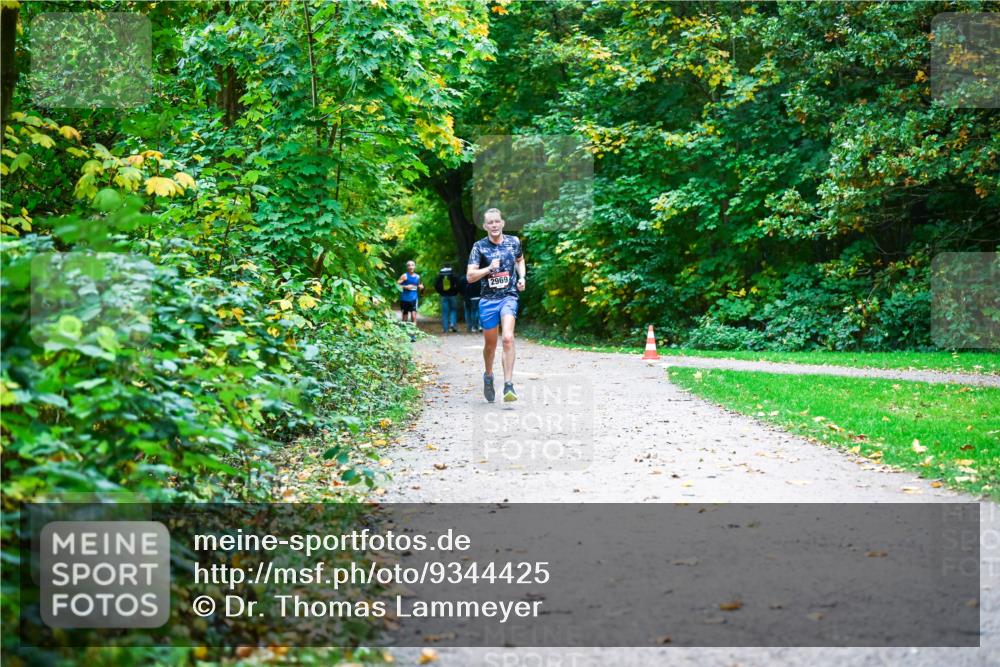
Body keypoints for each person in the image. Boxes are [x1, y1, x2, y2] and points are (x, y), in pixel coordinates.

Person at [466, 208, 525, 402]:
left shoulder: (513, 242)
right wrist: (488, 268)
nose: (494, 225)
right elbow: (470, 276)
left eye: (496, 221)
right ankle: (489, 375)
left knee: (507, 338)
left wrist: (522, 277)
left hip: (509, 297)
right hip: (488, 301)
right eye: (490, 222)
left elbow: (520, 260)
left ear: (502, 223)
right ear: (485, 226)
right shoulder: (479, 247)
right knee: (490, 346)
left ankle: (508, 385)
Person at [396, 260, 423, 341]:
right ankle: (404, 335)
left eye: (412, 265)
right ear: (407, 267)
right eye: (409, 265)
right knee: (405, 318)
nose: (411, 267)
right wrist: (405, 287)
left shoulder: (418, 277)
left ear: (415, 266)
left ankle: (412, 335)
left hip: (414, 299)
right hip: (404, 299)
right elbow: (396, 285)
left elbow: (420, 287)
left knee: (414, 317)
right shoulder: (404, 276)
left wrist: (421, 288)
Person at [433, 262, 460, 333]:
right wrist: (456, 292)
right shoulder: (453, 274)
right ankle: (453, 324)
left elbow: (436, 285)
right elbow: (458, 283)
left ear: (443, 267)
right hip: (453, 295)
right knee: (453, 310)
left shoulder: (440, 275)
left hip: (443, 296)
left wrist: (440, 292)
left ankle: (445, 329)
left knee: (445, 312)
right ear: (450, 266)